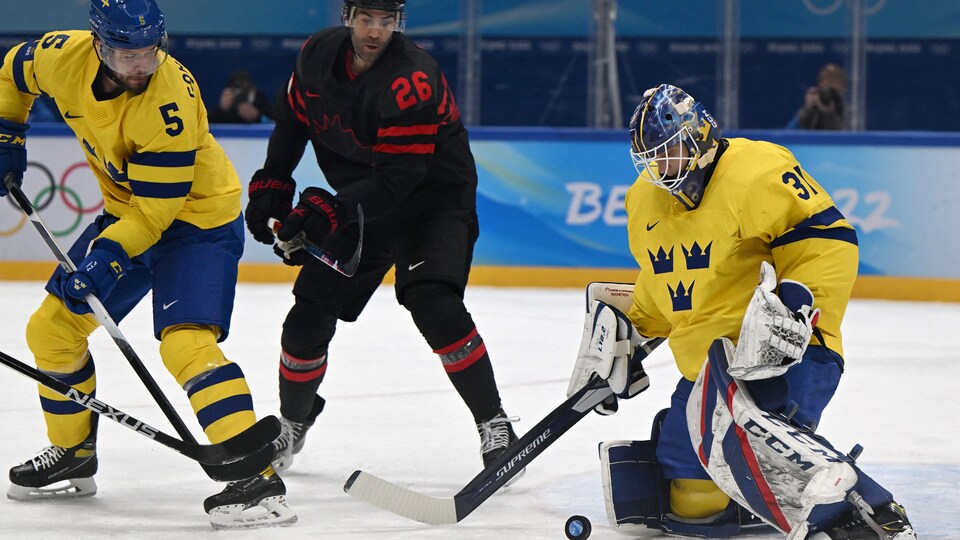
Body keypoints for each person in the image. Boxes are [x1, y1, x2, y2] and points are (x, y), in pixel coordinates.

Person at [567, 84, 915, 538]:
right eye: (651, 157)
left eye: (668, 150)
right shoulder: (643, 202)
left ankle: (869, 511)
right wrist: (625, 340)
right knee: (691, 506)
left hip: (783, 355)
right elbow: (661, 286)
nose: (661, 166)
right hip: (707, 375)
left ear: (697, 135)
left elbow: (829, 242)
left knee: (753, 439)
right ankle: (770, 500)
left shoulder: (755, 170)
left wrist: (797, 307)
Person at [0, 0, 294, 530]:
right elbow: (10, 74)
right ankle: (74, 455)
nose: (140, 64)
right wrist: (8, 135)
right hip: (126, 213)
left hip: (197, 223)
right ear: (96, 43)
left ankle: (256, 482)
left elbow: (157, 214)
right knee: (52, 330)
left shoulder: (169, 102)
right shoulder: (58, 56)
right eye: (125, 53)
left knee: (186, 342)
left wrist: (107, 259)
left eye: (149, 51)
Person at [243, 0, 521, 475]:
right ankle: (293, 423)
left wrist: (330, 209)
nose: (375, 31)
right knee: (309, 308)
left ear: (399, 23)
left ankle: (495, 424)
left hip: (432, 200)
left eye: (387, 21)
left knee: (432, 301)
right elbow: (292, 121)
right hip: (364, 198)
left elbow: (401, 179)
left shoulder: (412, 78)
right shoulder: (314, 54)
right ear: (348, 16)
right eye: (367, 19)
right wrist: (273, 181)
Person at [786, 63, 846, 130]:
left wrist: (829, 114)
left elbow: (848, 136)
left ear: (843, 88)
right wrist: (807, 110)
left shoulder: (850, 111)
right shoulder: (813, 110)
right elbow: (790, 134)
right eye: (828, 83)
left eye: (835, 82)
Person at [208, 69, 274, 124]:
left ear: (253, 90)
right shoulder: (224, 111)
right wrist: (221, 111)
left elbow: (276, 126)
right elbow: (206, 127)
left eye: (246, 89)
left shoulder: (262, 105)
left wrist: (258, 117)